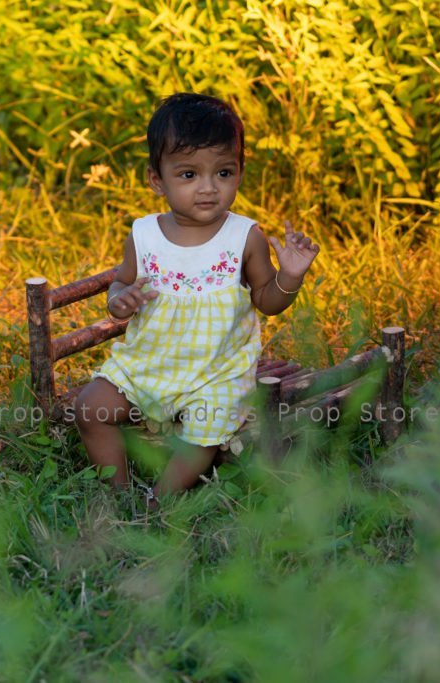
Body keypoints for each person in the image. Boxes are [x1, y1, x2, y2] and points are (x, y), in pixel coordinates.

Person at [72, 92, 320, 504]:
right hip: (149, 361)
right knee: (90, 407)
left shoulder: (245, 237)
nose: (208, 189)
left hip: (216, 371)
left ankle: (159, 498)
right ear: (157, 179)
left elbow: (267, 300)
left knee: (206, 431)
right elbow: (121, 283)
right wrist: (120, 301)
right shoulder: (144, 234)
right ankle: (116, 495)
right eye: (188, 175)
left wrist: (289, 276)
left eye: (223, 173)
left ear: (240, 172)